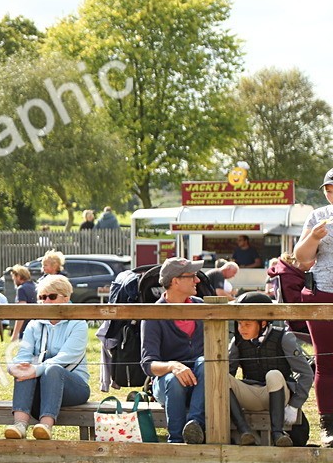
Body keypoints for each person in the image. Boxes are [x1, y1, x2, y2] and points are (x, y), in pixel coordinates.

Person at [4, 274, 89, 439]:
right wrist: (15, 367)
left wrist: (36, 370)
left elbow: (67, 356)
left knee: (53, 369)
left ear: (66, 298)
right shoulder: (34, 324)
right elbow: (23, 355)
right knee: (25, 367)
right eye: (41, 297)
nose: (45, 301)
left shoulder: (79, 323)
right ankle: (19, 425)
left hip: (74, 388)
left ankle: (46, 425)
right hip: (40, 388)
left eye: (51, 297)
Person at [226, 291, 313, 447]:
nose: (241, 329)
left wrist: (294, 405)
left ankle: (278, 433)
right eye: (239, 323)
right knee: (221, 377)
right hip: (251, 394)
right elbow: (229, 372)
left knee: (273, 374)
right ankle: (244, 430)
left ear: (263, 323)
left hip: (278, 393)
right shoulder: (237, 340)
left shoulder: (284, 338)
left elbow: (306, 373)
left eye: (247, 324)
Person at [141, 257, 206, 444]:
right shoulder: (154, 314)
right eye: (192, 276)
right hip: (167, 384)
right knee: (173, 379)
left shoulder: (201, 306)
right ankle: (176, 440)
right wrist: (172, 366)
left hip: (199, 381)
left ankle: (194, 425)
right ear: (175, 281)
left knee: (205, 362)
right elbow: (148, 364)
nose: (198, 280)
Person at [295, 167, 333, 446]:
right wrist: (314, 238)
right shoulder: (318, 216)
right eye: (328, 190)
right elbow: (302, 258)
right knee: (325, 360)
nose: (331, 195)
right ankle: (328, 424)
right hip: (322, 293)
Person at [9, 264, 37, 341]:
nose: (13, 280)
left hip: (26, 329)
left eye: (13, 277)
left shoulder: (21, 289)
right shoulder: (35, 286)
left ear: (18, 276)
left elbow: (22, 312)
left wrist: (15, 335)